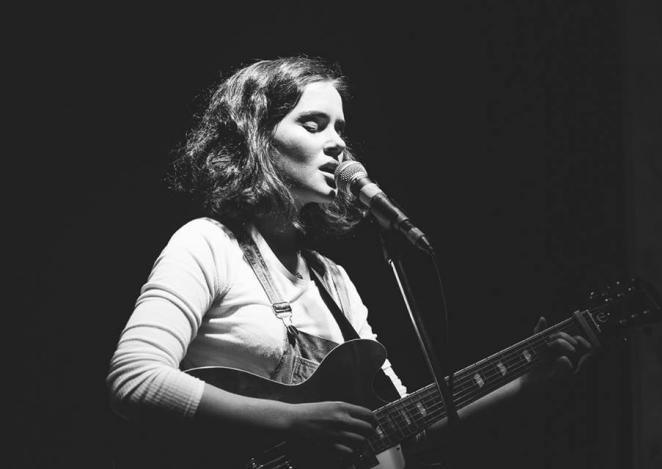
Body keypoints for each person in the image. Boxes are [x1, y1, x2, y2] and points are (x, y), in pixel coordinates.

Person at [106, 56, 591, 468]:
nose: (338, 142)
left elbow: (399, 423)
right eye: (313, 124)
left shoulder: (333, 280)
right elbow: (136, 378)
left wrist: (524, 382)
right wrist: (294, 419)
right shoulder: (209, 244)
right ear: (255, 138)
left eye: (341, 128)